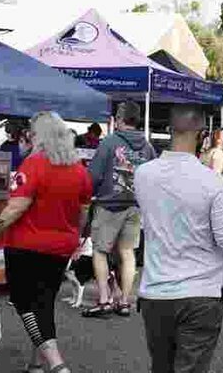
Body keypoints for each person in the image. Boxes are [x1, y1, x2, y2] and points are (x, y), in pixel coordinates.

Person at [134, 105, 223, 373]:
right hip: (202, 292)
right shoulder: (212, 183)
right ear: (203, 135)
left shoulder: (143, 174)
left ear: (170, 130)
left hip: (157, 290)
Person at [0, 112, 91, 373]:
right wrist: (74, 237)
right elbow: (83, 214)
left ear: (39, 136)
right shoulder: (79, 170)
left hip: (26, 244)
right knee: (44, 303)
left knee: (23, 302)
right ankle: (36, 362)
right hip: (62, 245)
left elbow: (16, 206)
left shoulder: (33, 164)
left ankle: (57, 364)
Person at [84, 101, 157, 318]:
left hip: (109, 204)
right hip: (135, 206)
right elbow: (154, 177)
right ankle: (124, 301)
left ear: (119, 118)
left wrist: (89, 193)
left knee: (100, 250)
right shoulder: (147, 147)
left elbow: (93, 175)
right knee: (127, 253)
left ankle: (105, 299)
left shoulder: (109, 142)